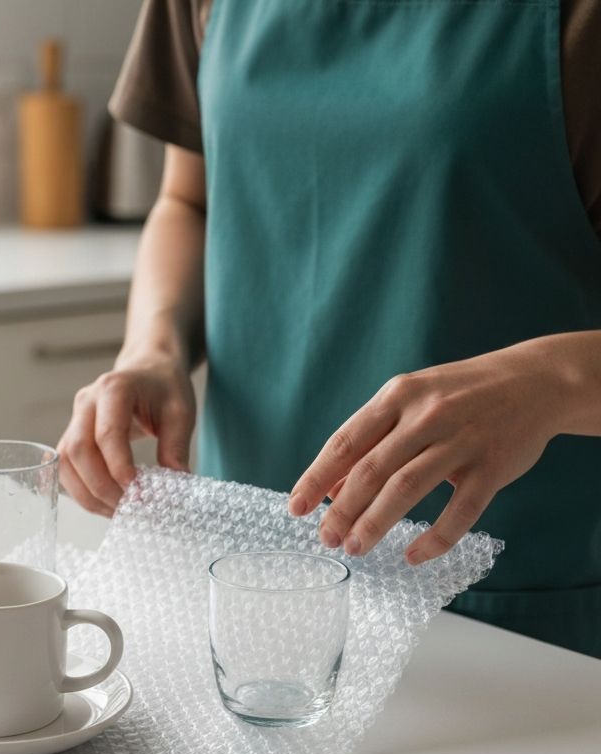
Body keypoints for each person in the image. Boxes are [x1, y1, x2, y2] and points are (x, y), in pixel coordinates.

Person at [58, 0, 601, 658]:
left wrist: (548, 381)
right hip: (244, 588)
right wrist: (153, 349)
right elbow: (189, 200)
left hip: (515, 619)